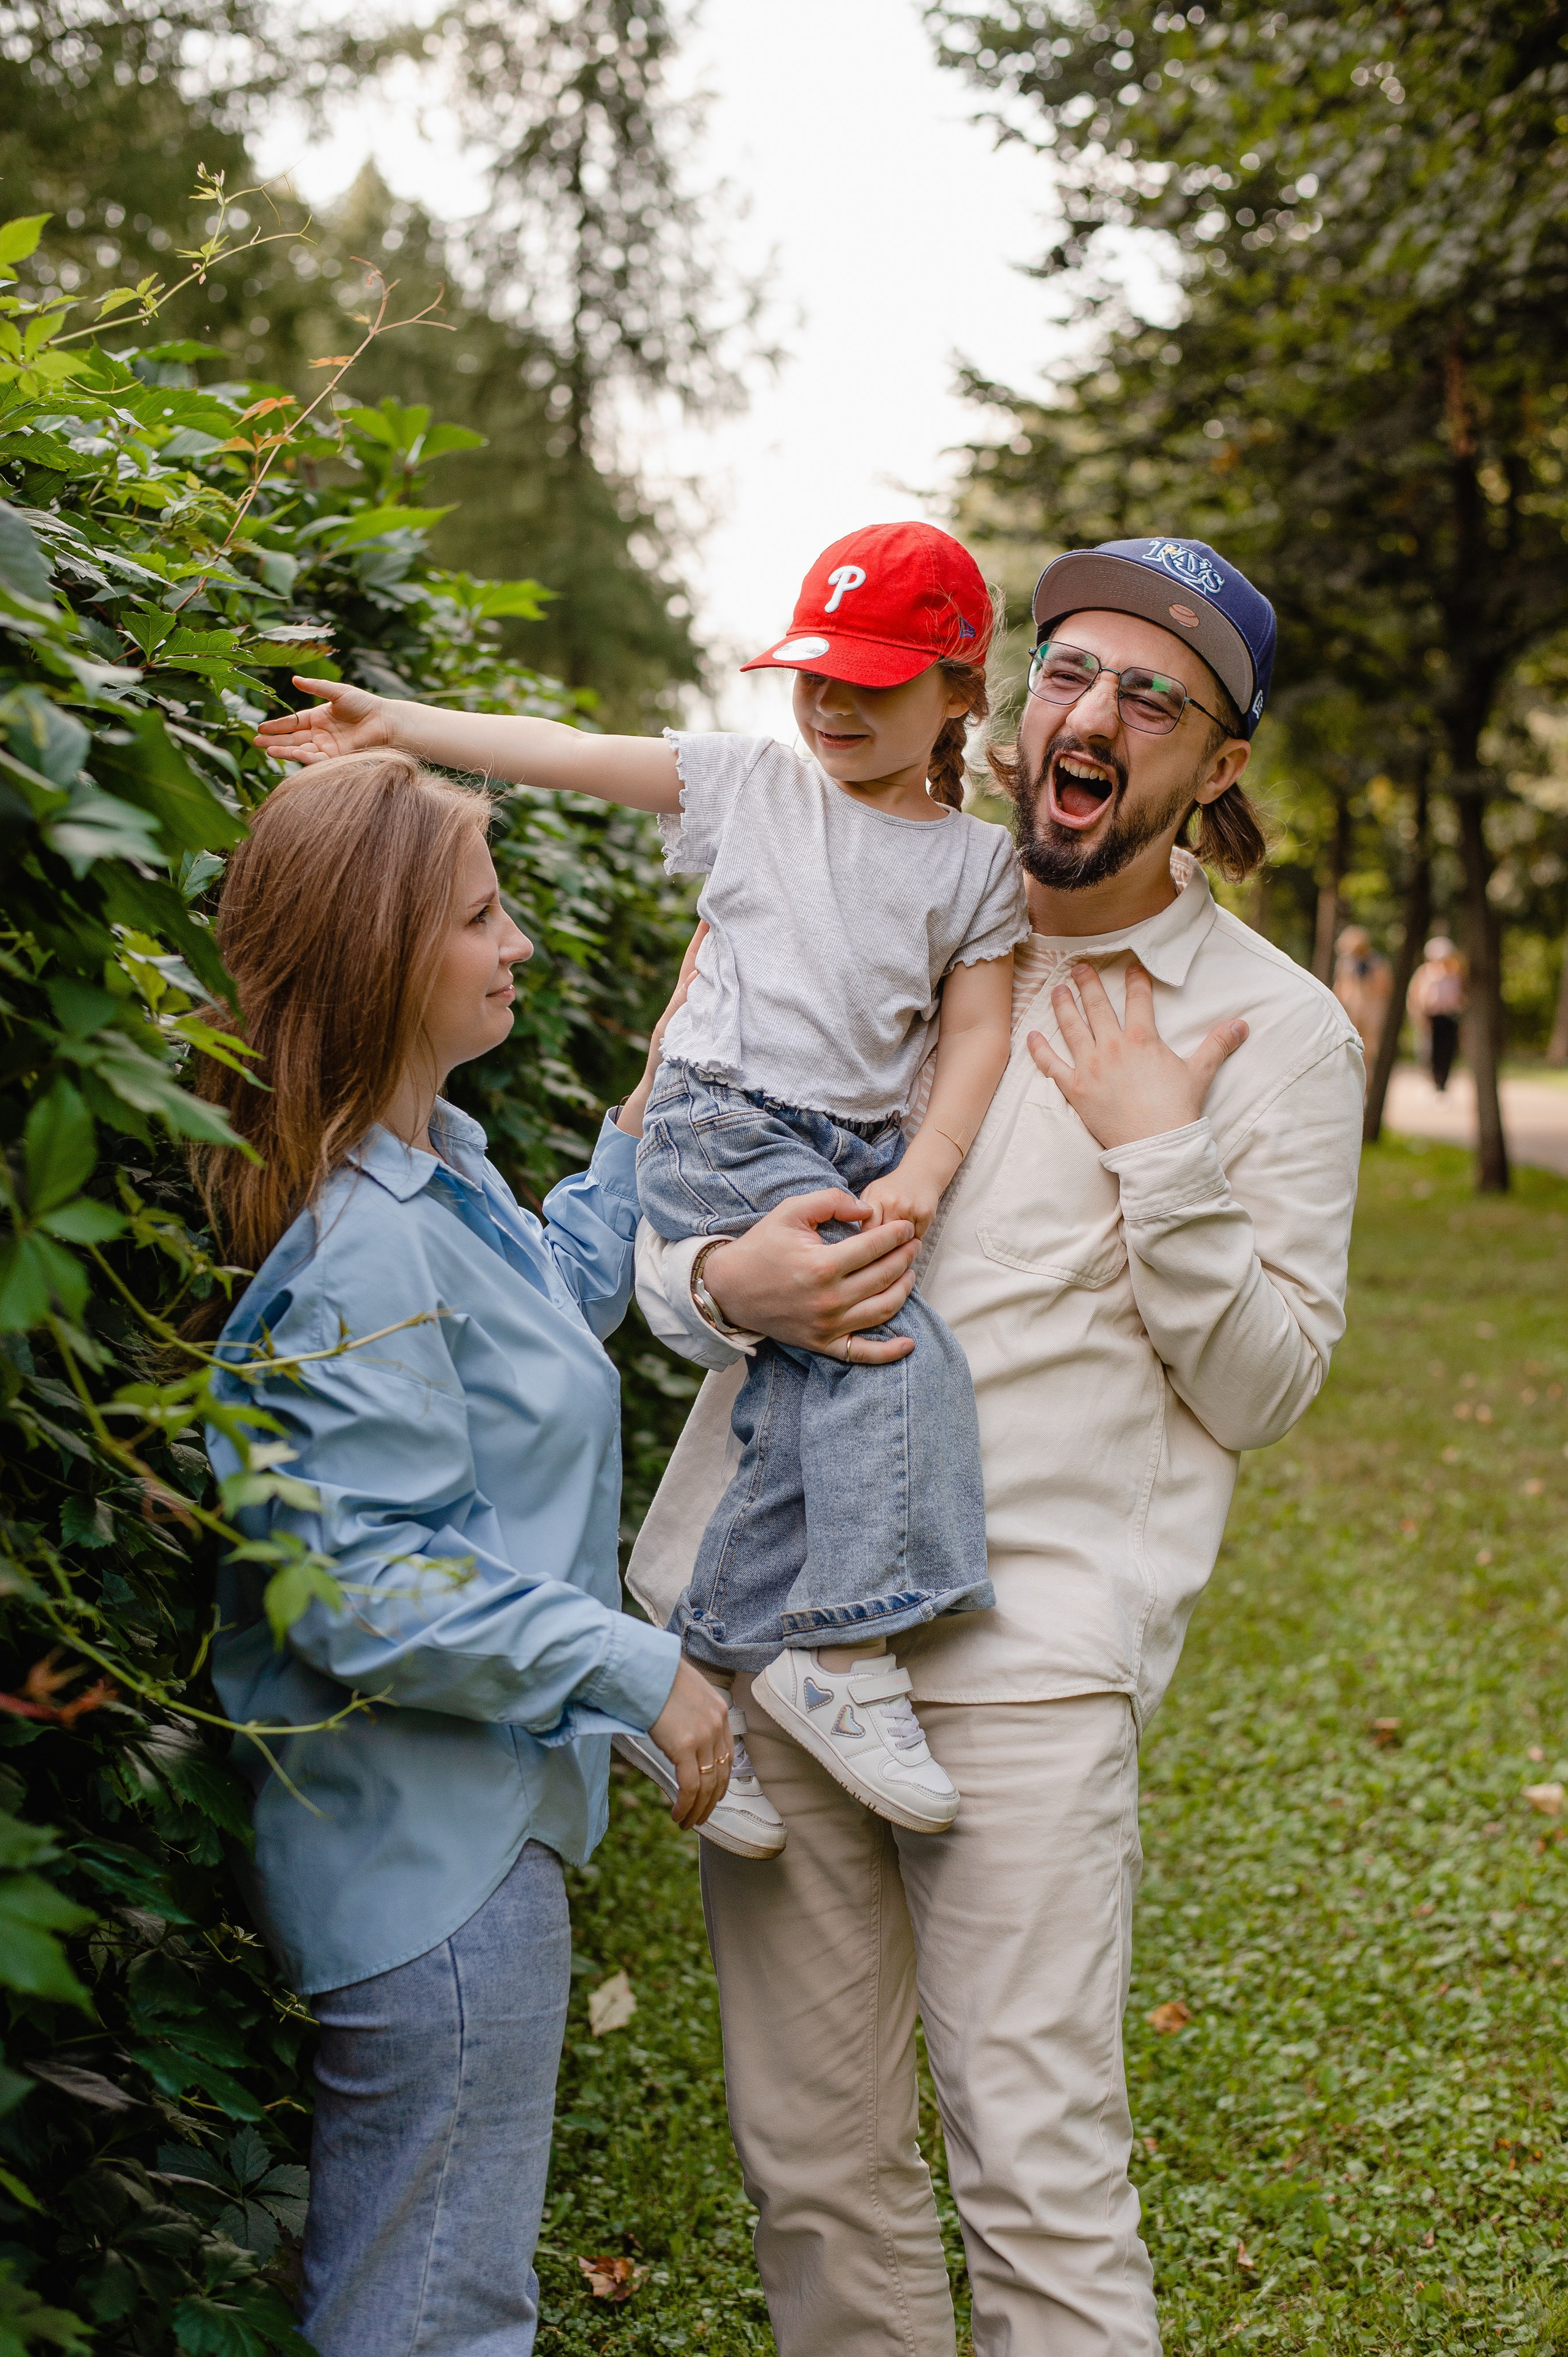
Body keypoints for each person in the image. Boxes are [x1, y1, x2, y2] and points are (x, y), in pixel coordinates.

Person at [630, 537, 1366, 2356]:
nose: (1089, 713)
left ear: (1215, 766)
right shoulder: (847, 908)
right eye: (1065, 670)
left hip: (1026, 1671)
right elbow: (647, 1236)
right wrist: (729, 1280)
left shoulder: (1270, 1033)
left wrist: (1155, 1149)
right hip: (782, 1638)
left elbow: (1266, 1387)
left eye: (1151, 694)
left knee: (1035, 2173)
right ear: (1005, 702)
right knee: (811, 2164)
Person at [254, 521, 1030, 1852]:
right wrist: (405, 728)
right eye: (814, 674)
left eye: (876, 679)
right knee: (892, 1354)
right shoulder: (752, 789)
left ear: (960, 690)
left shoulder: (975, 868)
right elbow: (568, 754)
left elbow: (974, 1035)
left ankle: (691, 1666)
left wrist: (921, 1170)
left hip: (843, 1149)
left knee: (812, 1378)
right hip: (719, 1121)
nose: (833, 703)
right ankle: (840, 1658)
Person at [196, 752, 731, 2357]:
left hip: (461, 1842)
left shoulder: (436, 1174)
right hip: (437, 1879)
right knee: (436, 2316)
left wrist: (644, 1107)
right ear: (385, 957)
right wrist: (641, 1666)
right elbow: (365, 1585)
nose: (518, 945)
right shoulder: (367, 1248)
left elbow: (536, 1330)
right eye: (482, 915)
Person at [1408, 933, 1467, 1091]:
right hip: (1431, 1017)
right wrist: (1418, 1016)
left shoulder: (1456, 974)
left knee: (1448, 1051)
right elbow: (1415, 996)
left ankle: (1442, 1084)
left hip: (1449, 1017)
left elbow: (1461, 997)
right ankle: (1432, 1081)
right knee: (1429, 1050)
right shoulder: (1425, 972)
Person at [1332, 921, 1392, 1071]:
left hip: (1371, 1012)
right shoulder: (1346, 963)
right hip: (1350, 1010)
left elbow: (1385, 987)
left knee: (1369, 1051)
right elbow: (1340, 985)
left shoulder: (1376, 963)